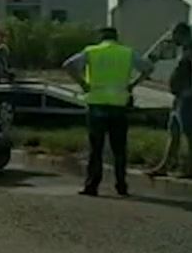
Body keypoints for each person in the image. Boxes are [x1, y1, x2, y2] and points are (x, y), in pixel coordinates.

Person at [62, 27, 155, 197]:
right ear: (116, 38)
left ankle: (92, 185)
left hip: (96, 104)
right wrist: (133, 84)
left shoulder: (92, 51)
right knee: (119, 149)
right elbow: (148, 67)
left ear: (101, 38)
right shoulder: (127, 52)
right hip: (119, 105)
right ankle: (121, 185)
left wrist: (83, 84)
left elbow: (68, 65)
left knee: (95, 148)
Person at [147, 22, 192, 179]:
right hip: (179, 96)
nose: (173, 38)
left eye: (174, 34)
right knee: (173, 131)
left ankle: (191, 169)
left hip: (188, 97)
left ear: (181, 34)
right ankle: (164, 166)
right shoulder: (184, 49)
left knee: (189, 133)